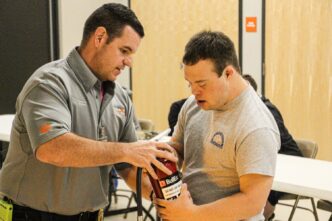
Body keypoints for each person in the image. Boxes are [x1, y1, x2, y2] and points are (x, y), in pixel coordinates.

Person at [0, 3, 177, 221]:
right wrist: (127, 151)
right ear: (100, 37)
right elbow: (52, 148)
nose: (129, 62)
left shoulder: (120, 98)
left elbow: (127, 167)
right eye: (124, 51)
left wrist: (162, 198)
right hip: (31, 215)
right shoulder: (49, 83)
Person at [154, 31, 280, 221]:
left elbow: (252, 201)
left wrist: (191, 214)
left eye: (201, 83)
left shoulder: (256, 125)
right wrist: (162, 156)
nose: (194, 91)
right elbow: (178, 150)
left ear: (228, 73)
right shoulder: (193, 104)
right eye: (190, 84)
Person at [243, 74, 303, 220]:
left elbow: (273, 147)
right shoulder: (251, 109)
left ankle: (265, 214)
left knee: (261, 182)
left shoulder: (266, 110)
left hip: (290, 162)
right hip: (275, 160)